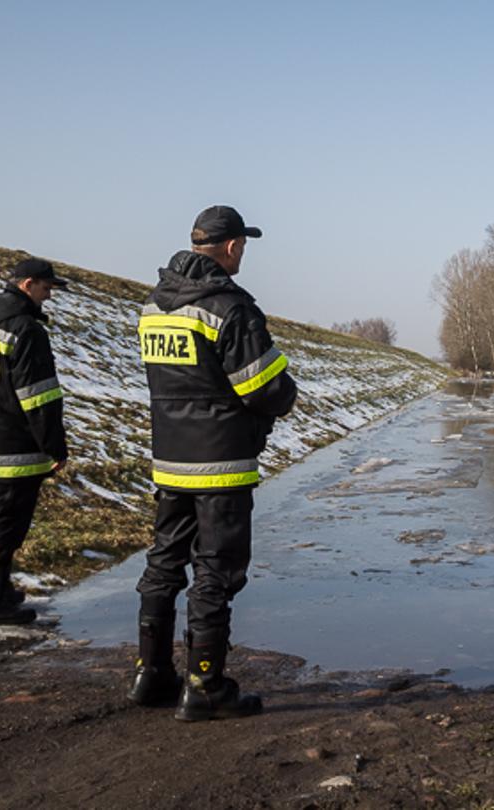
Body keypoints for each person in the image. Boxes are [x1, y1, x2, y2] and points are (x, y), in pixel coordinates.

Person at [130, 205, 298, 721]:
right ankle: (204, 685)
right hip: (221, 460)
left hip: (170, 458)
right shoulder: (230, 307)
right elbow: (264, 386)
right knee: (216, 571)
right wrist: (286, 393)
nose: (243, 251)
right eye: (243, 244)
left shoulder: (154, 307)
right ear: (229, 247)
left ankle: (151, 673)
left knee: (164, 562)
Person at [0, 257, 69, 626]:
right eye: (46, 288)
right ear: (27, 285)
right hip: (18, 449)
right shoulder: (26, 331)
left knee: (1, 520)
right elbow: (40, 399)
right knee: (8, 526)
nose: (48, 296)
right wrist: (55, 447)